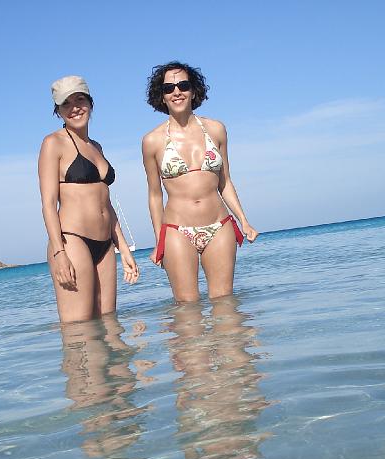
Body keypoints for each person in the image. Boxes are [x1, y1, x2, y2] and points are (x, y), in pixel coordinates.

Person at [142, 61, 258, 302]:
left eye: (183, 85)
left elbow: (225, 182)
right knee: (187, 310)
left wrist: (244, 220)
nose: (176, 92)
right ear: (162, 96)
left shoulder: (216, 130)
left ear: (193, 91)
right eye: (169, 88)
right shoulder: (152, 141)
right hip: (177, 230)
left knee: (225, 305)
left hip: (219, 225)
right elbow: (154, 195)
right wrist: (159, 241)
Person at [39, 75, 139, 322]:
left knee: (110, 324)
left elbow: (106, 204)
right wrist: (59, 253)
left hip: (105, 244)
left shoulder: (97, 147)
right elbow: (48, 205)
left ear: (90, 103)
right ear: (58, 111)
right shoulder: (53, 143)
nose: (75, 108)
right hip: (72, 240)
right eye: (66, 104)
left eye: (80, 100)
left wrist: (123, 248)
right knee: (79, 329)